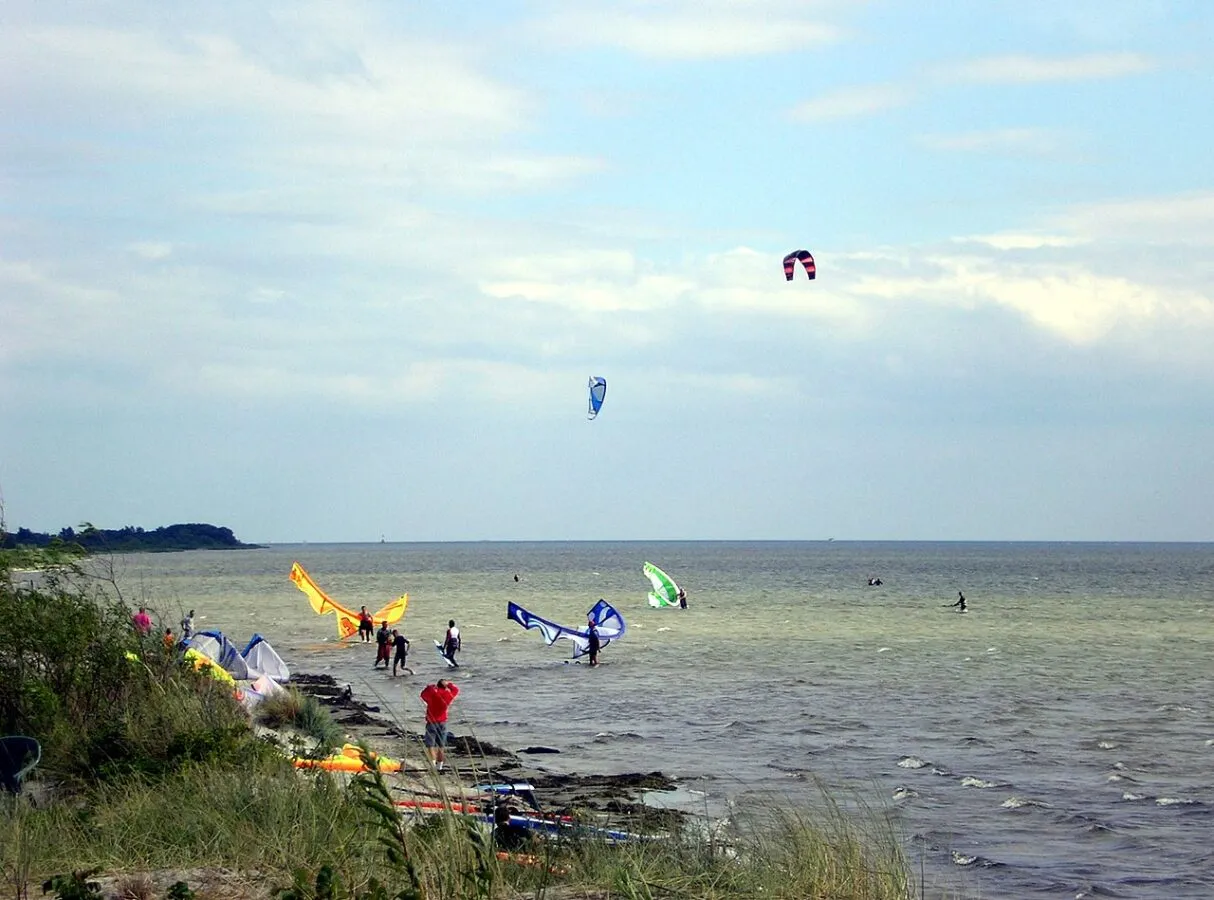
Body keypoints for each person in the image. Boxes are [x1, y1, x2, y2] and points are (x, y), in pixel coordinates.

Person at [420, 678, 459, 770]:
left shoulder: (433, 694)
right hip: (442, 722)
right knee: (441, 746)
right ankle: (439, 767)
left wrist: (430, 687)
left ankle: (433, 765)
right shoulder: (448, 695)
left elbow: (423, 695)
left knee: (430, 745)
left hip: (431, 722)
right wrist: (449, 684)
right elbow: (456, 690)